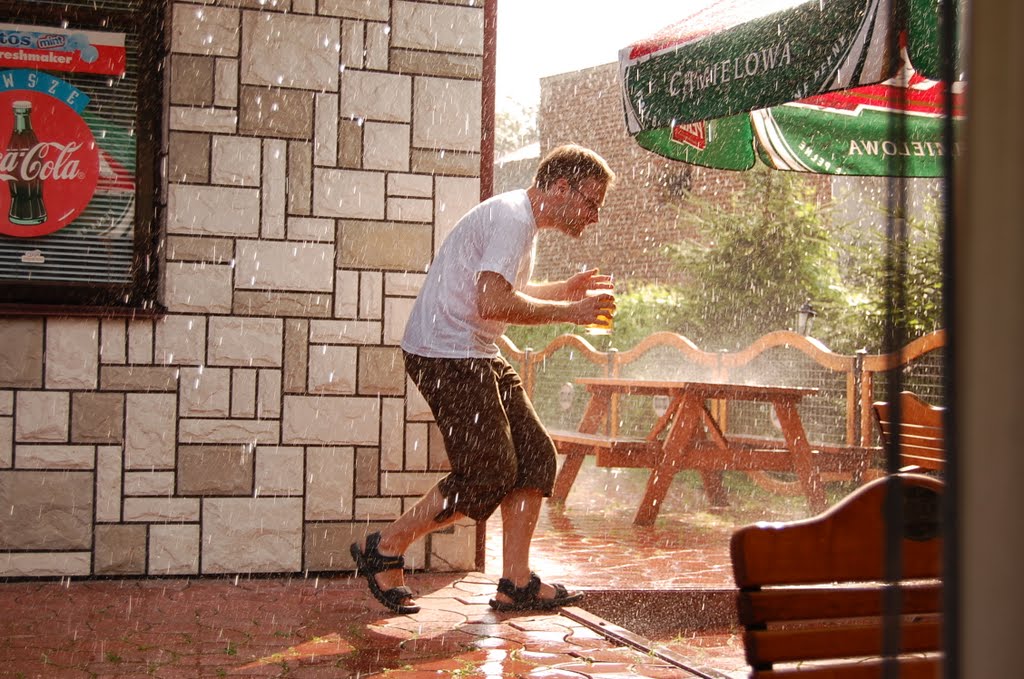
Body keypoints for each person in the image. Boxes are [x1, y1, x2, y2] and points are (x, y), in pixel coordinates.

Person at [350, 144, 617, 614]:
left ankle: (515, 583)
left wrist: (562, 292)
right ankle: (385, 547)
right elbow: (493, 302)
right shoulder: (515, 218)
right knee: (488, 472)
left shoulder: (519, 219)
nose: (594, 216)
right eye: (591, 202)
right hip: (445, 353)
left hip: (473, 351)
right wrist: (571, 312)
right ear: (560, 187)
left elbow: (501, 287)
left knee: (535, 455)